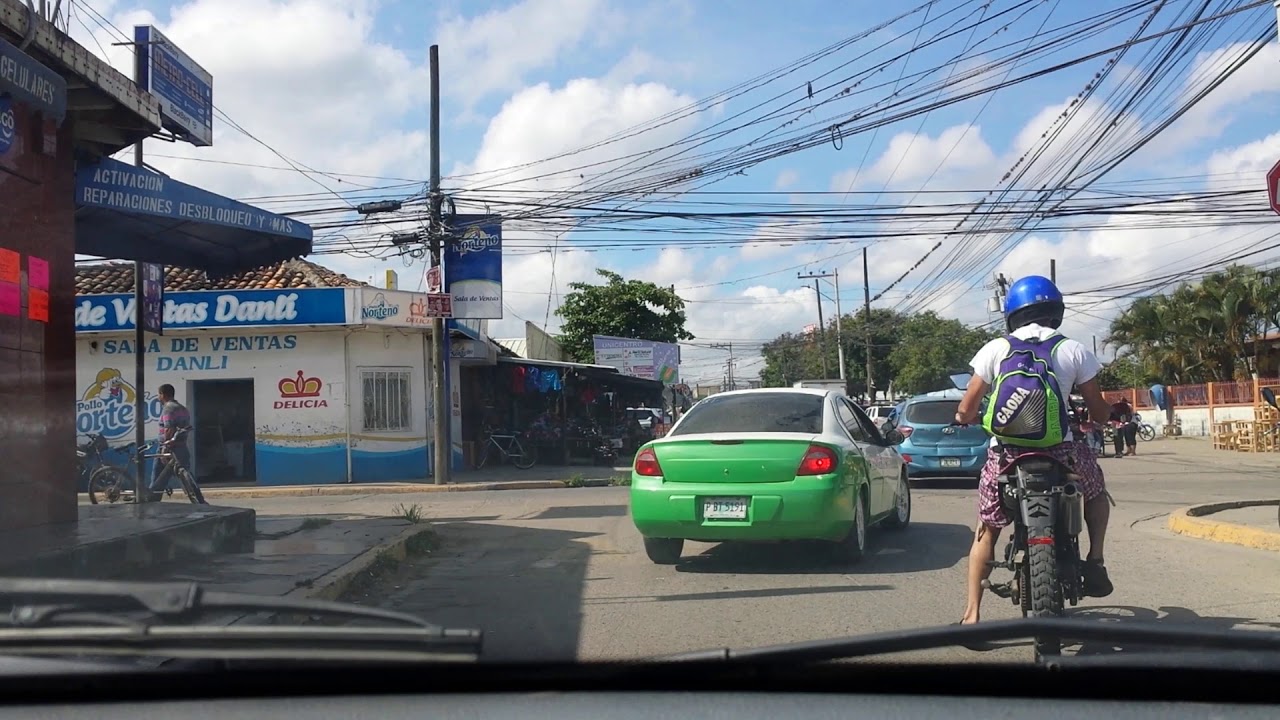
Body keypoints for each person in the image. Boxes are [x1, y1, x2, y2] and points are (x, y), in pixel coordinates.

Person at [955, 275, 1114, 635]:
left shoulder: (995, 349)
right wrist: (1100, 418)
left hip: (1006, 454)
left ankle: (972, 616)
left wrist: (964, 418)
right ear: (1055, 310)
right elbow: (1098, 410)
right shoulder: (1073, 349)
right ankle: (1096, 559)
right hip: (1063, 452)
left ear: (1012, 313)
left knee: (987, 528)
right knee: (1097, 493)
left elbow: (968, 407)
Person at [146, 383, 207, 504]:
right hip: (181, 447)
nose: (158, 397)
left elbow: (169, 429)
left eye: (159, 394)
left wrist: (165, 448)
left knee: (157, 477)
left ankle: (151, 502)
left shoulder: (168, 408)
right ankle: (199, 500)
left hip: (169, 448)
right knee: (186, 475)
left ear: (163, 395)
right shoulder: (182, 409)